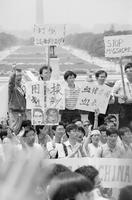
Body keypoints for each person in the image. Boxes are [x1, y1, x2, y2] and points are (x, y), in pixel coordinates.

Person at [8, 67, 26, 135]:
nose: (19, 77)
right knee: (14, 130)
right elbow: (11, 82)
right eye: (17, 75)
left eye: (20, 75)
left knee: (21, 131)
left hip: (22, 112)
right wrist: (13, 74)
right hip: (14, 112)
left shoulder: (22, 87)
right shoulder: (12, 87)